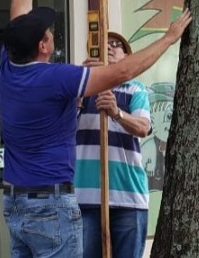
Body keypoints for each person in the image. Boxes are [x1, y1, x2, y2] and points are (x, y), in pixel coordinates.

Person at [0, 0, 192, 258]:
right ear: (43, 47)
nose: (50, 33)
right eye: (47, 32)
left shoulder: (9, 65)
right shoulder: (56, 78)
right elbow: (120, 73)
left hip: (16, 202)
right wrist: (169, 38)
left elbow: (19, 11)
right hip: (51, 204)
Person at [75, 31, 152, 258]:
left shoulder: (135, 89)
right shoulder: (80, 88)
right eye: (102, 44)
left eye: (116, 45)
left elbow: (143, 127)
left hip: (128, 196)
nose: (109, 47)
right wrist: (79, 88)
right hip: (86, 196)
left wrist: (116, 112)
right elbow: (60, 129)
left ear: (128, 57)